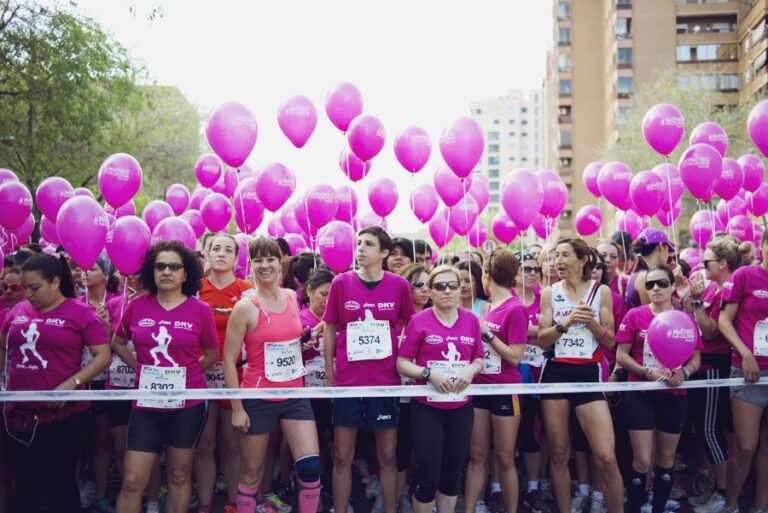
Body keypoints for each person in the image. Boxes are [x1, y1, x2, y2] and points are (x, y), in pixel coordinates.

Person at [112, 241, 219, 513]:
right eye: (160, 266)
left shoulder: (200, 310)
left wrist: (187, 376)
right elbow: (118, 342)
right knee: (133, 479)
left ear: (186, 274)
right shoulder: (136, 306)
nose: (167, 271)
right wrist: (141, 368)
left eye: (174, 266)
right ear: (152, 271)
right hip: (146, 404)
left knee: (179, 475)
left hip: (188, 405)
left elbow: (211, 353)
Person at [0, 252, 111, 513]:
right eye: (23, 288)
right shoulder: (17, 311)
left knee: (59, 485)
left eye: (34, 288)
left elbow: (103, 356)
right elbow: (3, 345)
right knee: (25, 487)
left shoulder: (81, 313)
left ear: (55, 282)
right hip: (18, 415)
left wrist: (72, 383)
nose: (27, 294)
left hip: (63, 416)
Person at [224, 237, 321, 513]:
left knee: (310, 469)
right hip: (258, 397)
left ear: (281, 263)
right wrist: (237, 407)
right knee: (252, 473)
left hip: (294, 393)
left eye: (270, 259)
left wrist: (301, 345)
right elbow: (229, 360)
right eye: (258, 260)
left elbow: (286, 343)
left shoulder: (291, 297)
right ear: (251, 265)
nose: (265, 265)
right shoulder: (245, 307)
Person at [323, 226, 416, 513]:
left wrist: (405, 362)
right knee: (342, 456)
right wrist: (329, 374)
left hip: (385, 381)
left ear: (384, 253)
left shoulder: (399, 286)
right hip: (348, 382)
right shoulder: (341, 283)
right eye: (358, 243)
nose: (360, 248)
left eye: (368, 244)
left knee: (387, 455)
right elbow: (328, 329)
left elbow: (412, 325)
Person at [537, 238, 623, 513]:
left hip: (588, 371)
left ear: (582, 259)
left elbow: (610, 342)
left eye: (564, 255)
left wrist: (593, 324)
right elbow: (541, 338)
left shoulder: (602, 292)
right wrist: (567, 322)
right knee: (560, 453)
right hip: (556, 371)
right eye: (554, 256)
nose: (557, 262)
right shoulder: (550, 293)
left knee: (607, 457)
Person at [396, 265, 485, 513]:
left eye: (452, 285)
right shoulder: (418, 321)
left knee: (452, 476)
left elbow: (479, 357)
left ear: (460, 290)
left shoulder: (471, 320)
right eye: (440, 286)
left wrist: (471, 370)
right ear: (431, 292)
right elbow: (402, 363)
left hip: (461, 407)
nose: (447, 291)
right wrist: (428, 373)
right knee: (428, 477)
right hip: (427, 409)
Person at [616, 266, 702, 513]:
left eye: (661, 283)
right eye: (650, 284)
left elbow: (695, 358)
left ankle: (659, 508)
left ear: (672, 286)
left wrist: (684, 372)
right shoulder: (635, 315)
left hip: (674, 394)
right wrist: (646, 372)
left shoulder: (685, 319)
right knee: (642, 460)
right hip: (640, 391)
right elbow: (621, 356)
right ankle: (635, 507)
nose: (655, 288)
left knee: (665, 459)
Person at [464, 249, 527, 513]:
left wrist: (487, 334)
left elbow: (515, 357)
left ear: (488, 276)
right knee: (477, 456)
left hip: (506, 389)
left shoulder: (516, 309)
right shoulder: (488, 308)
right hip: (480, 387)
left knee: (504, 457)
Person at [197, 234, 255, 513]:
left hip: (237, 376)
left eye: (228, 250)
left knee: (233, 447)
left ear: (236, 258)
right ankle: (206, 505)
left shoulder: (247, 290)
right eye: (215, 248)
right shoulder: (195, 289)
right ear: (206, 253)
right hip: (201, 375)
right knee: (205, 446)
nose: (221, 253)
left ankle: (233, 504)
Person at [683, 237, 741, 512]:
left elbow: (710, 331)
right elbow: (692, 317)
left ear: (723, 264)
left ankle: (724, 492)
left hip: (714, 367)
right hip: (700, 365)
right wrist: (689, 297)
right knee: (704, 431)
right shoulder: (713, 289)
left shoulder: (727, 291)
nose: (701, 265)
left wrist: (696, 302)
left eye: (706, 261)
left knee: (710, 431)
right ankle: (717, 488)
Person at [718, 230, 768, 513]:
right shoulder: (745, 277)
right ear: (763, 245)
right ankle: (732, 504)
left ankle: (760, 506)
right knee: (745, 446)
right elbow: (724, 321)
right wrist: (746, 354)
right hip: (748, 372)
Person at [79, 254, 120, 513]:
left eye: (91, 268)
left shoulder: (117, 303)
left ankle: (102, 494)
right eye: (81, 268)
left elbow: (118, 344)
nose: (84, 272)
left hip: (110, 380)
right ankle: (81, 486)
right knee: (82, 437)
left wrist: (106, 326)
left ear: (105, 274)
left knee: (104, 437)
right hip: (79, 380)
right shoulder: (73, 303)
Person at [394, 263, 432, 511]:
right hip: (398, 395)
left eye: (429, 285)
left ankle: (418, 497)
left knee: (424, 454)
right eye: (418, 284)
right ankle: (395, 500)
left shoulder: (436, 317)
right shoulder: (394, 321)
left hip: (427, 397)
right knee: (398, 453)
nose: (425, 290)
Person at [300, 268, 336, 496]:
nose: (328, 300)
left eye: (333, 295)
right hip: (306, 392)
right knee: (307, 444)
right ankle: (294, 481)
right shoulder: (299, 319)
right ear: (309, 291)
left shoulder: (337, 320)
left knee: (331, 441)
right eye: (324, 294)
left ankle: (328, 486)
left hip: (333, 390)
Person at [626, 228, 675, 309]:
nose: (668, 255)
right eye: (668, 249)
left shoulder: (641, 273)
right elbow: (652, 314)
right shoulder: (645, 277)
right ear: (661, 246)